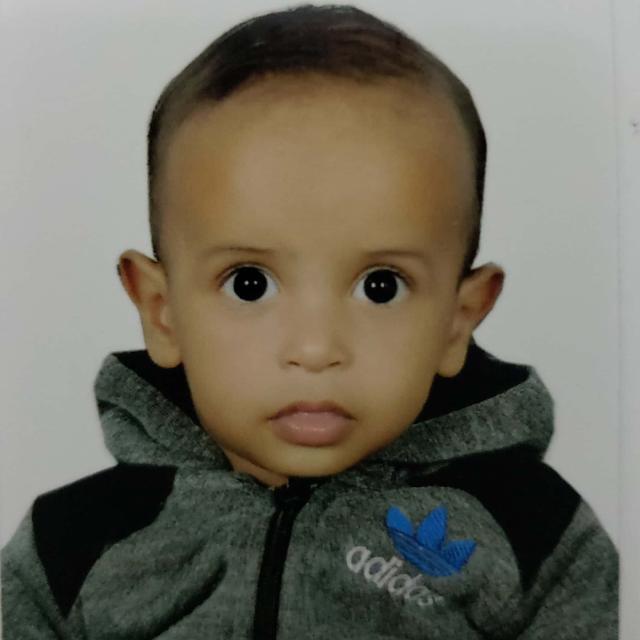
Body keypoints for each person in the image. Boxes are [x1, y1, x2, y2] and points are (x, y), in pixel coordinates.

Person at [1, 4, 618, 639]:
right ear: (163, 312)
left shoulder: (538, 542)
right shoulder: (69, 549)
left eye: (381, 287)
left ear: (458, 320)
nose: (316, 348)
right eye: (249, 284)